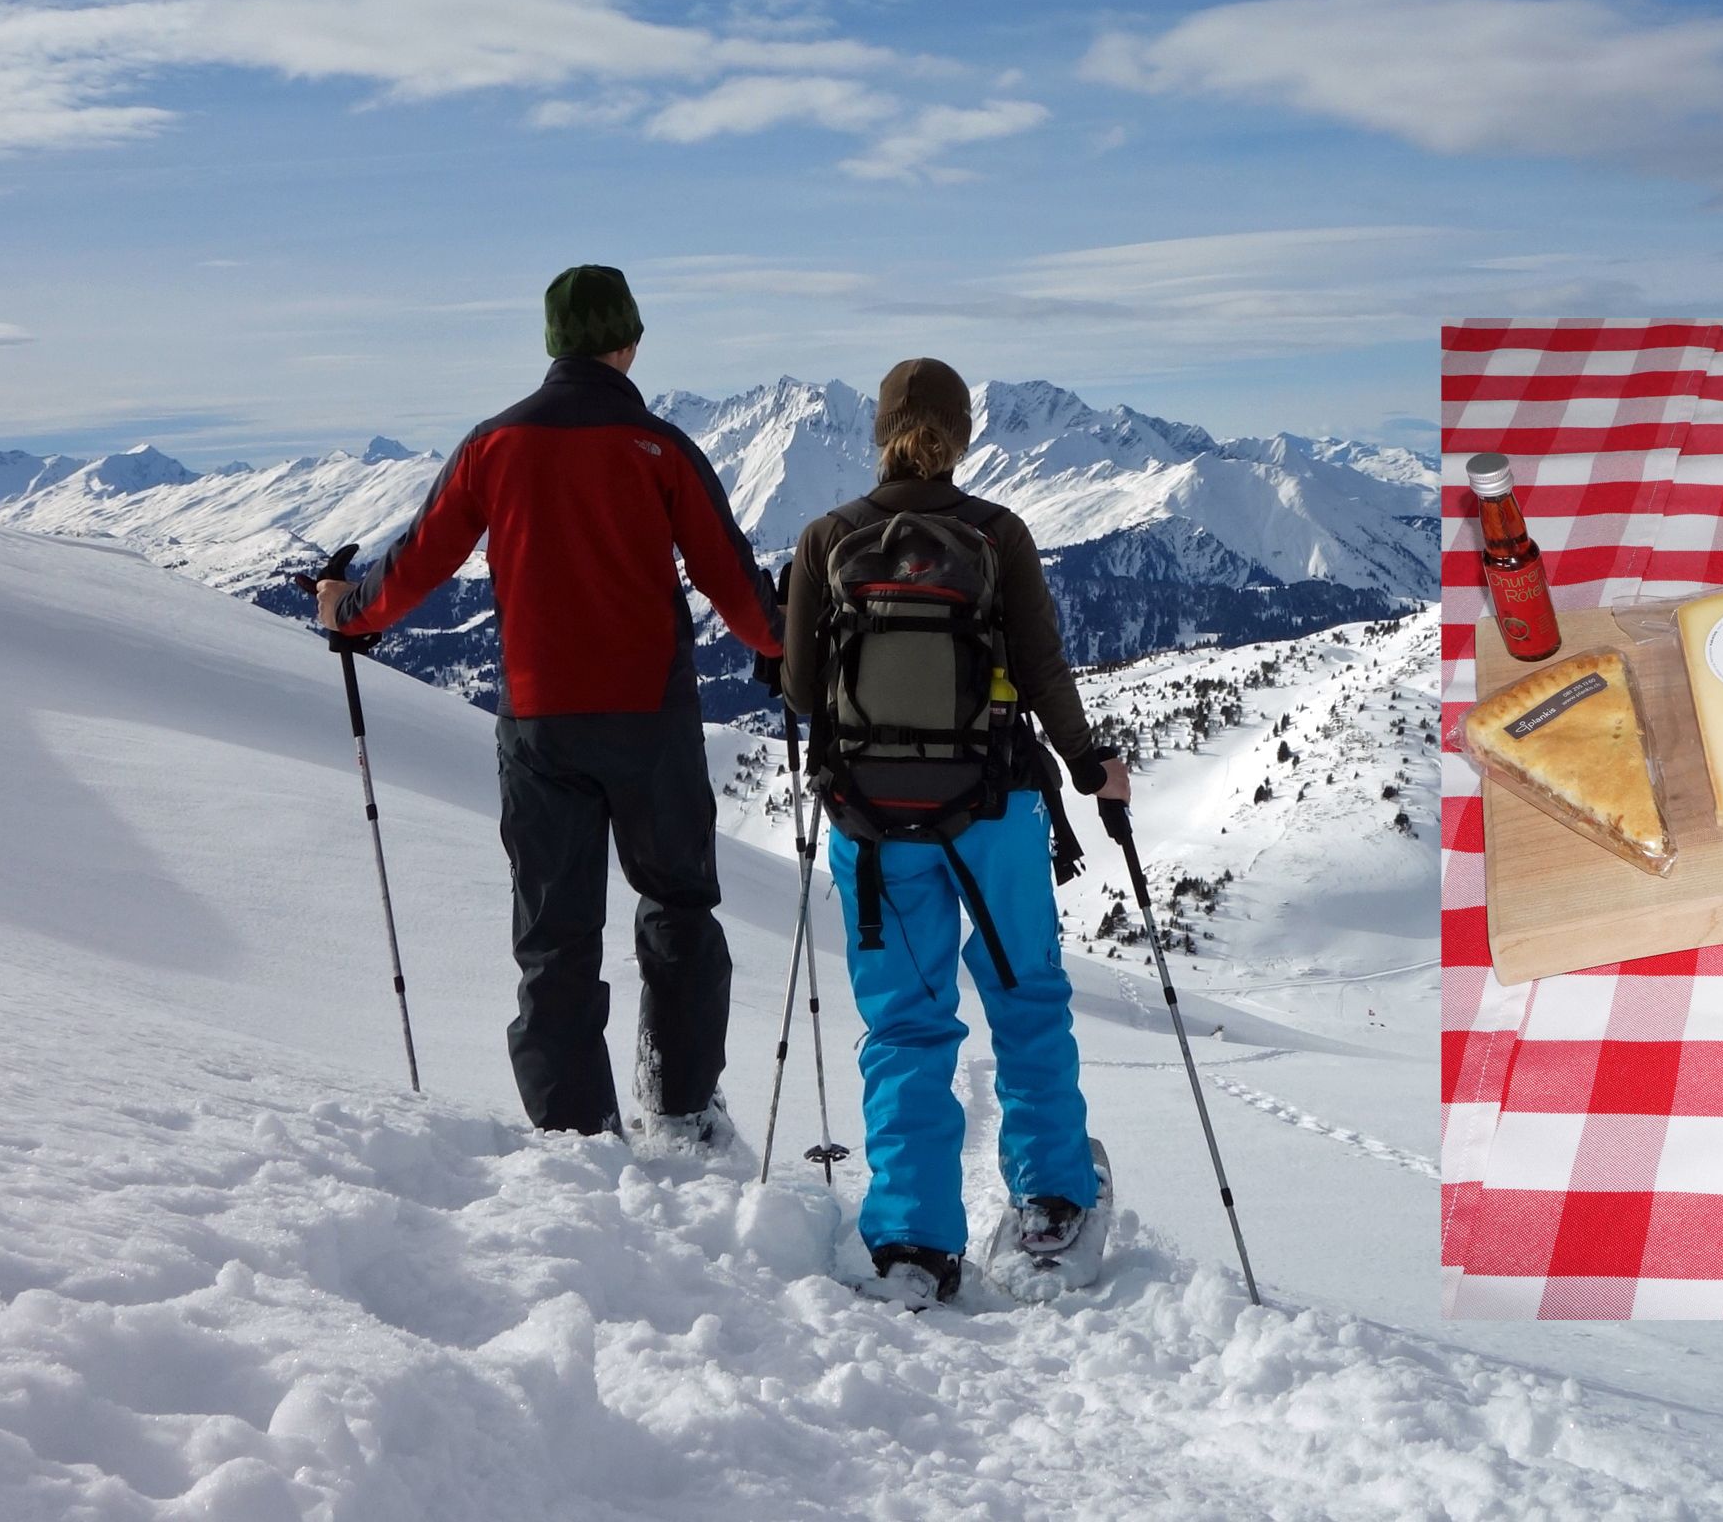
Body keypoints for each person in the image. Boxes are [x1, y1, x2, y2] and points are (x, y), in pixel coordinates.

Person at [317, 265, 782, 1143]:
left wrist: (347, 610)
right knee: (678, 905)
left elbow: (415, 564)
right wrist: (787, 640)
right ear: (628, 342)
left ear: (551, 343)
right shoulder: (660, 448)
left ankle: (575, 1133)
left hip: (539, 724)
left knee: (554, 934)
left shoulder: (493, 446)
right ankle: (682, 1107)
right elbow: (737, 590)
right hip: (650, 719)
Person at [781, 356, 1126, 1305]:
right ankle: (1051, 1198)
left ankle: (910, 1237)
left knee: (904, 1024)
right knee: (1026, 997)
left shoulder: (827, 537)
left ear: (878, 431)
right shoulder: (995, 532)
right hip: (993, 809)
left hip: (872, 824)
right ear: (963, 435)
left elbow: (801, 691)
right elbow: (1043, 669)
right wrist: (1090, 763)